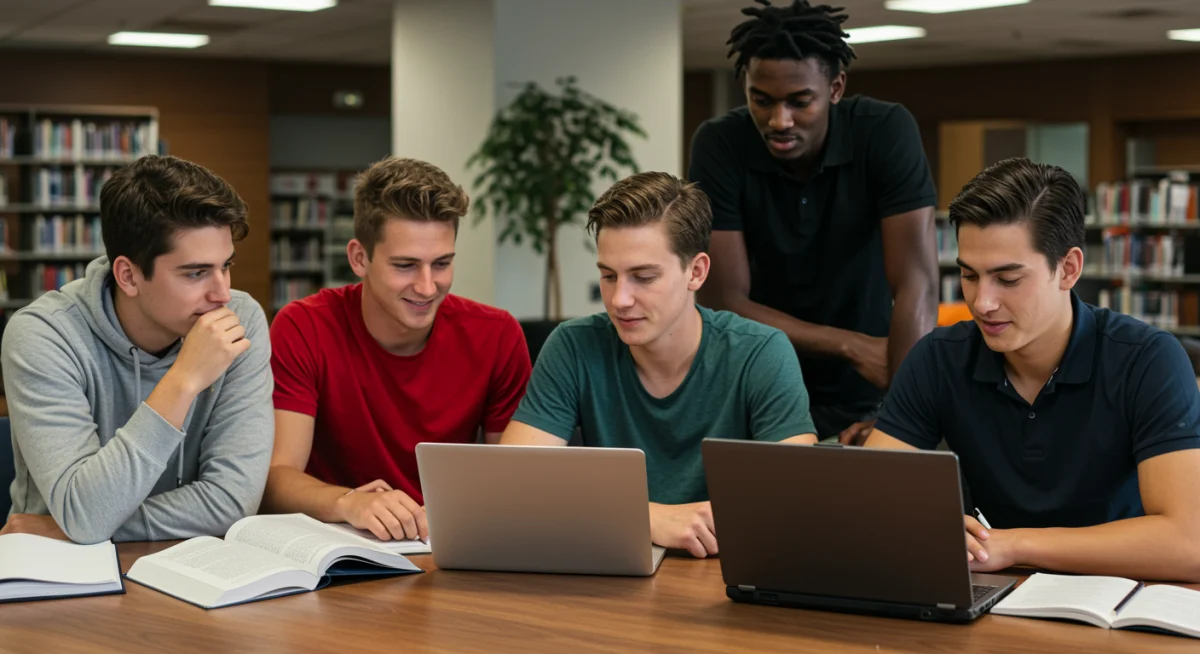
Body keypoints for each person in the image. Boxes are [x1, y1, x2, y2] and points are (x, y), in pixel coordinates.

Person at [865, 158, 1200, 582]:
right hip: (997, 593)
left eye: (1007, 279)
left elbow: (1189, 543)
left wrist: (1014, 544)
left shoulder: (1148, 360)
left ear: (1069, 269)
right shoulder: (938, 358)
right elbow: (868, 503)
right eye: (969, 275)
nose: (982, 302)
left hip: (1121, 598)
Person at [500, 171, 817, 559]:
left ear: (696, 272)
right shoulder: (574, 345)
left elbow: (798, 500)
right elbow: (513, 485)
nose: (619, 300)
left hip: (724, 575)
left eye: (643, 277)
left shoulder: (760, 352)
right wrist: (647, 518)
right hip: (611, 571)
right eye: (608, 276)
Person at [690, 0, 939, 444]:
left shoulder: (884, 131)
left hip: (871, 387)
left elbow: (916, 283)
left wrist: (900, 416)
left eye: (799, 101)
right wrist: (849, 344)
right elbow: (724, 299)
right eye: (760, 101)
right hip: (758, 381)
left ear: (836, 87)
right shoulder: (721, 144)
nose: (778, 121)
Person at [0, 155, 273, 544]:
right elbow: (87, 514)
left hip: (188, 564)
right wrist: (184, 380)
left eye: (225, 266)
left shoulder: (240, 318)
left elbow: (232, 502)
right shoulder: (43, 335)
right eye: (195, 273)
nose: (222, 293)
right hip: (61, 573)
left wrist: (77, 526)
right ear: (128, 275)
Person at [262, 157, 531, 543]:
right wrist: (349, 503)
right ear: (359, 258)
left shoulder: (497, 335)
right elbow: (277, 478)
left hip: (447, 542)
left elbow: (513, 481)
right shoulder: (303, 326)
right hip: (338, 544)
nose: (426, 286)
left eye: (441, 264)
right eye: (405, 265)